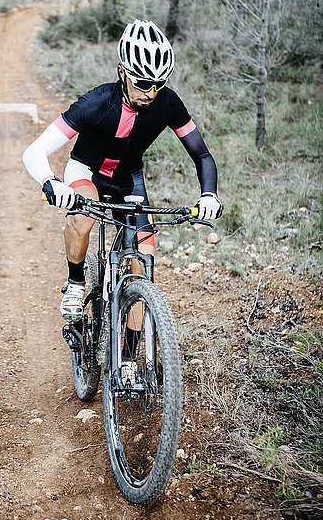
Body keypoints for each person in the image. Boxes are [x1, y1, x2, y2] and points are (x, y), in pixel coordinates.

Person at [22, 19, 222, 327]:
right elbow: (34, 152)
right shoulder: (96, 102)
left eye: (159, 84)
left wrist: (208, 193)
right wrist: (52, 183)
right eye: (142, 83)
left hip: (129, 179)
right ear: (122, 72)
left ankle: (127, 363)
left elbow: (202, 154)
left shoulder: (168, 103)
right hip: (87, 172)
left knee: (144, 260)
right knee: (83, 216)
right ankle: (76, 283)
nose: (151, 93)